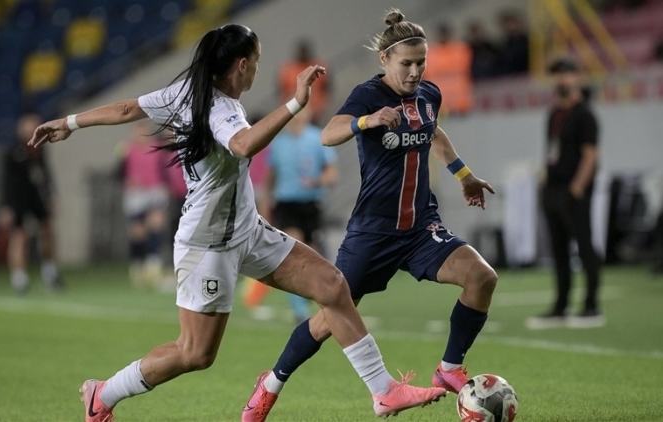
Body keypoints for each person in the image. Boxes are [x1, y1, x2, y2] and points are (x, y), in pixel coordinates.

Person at [28, 24, 446, 422]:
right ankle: (103, 394)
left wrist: (68, 123)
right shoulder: (221, 108)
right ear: (242, 65)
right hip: (207, 243)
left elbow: (126, 108)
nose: (257, 70)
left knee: (332, 286)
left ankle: (383, 391)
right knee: (195, 354)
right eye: (257, 62)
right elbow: (243, 144)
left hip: (247, 230)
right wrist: (295, 103)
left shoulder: (184, 91)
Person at [242, 10, 498, 422]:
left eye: (421, 63)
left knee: (482, 277)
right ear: (385, 60)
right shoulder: (368, 95)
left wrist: (464, 176)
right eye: (406, 63)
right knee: (328, 321)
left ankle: (449, 368)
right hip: (373, 232)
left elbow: (433, 132)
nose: (414, 72)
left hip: (421, 227)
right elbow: (329, 134)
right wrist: (368, 121)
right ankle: (270, 384)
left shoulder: (429, 95)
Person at [526, 58, 604, 329]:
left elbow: (590, 155)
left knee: (584, 246)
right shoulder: (554, 114)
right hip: (553, 190)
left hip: (573, 191)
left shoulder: (585, 114)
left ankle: (592, 306)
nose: (561, 79)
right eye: (557, 74)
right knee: (558, 251)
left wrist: (577, 188)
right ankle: (561, 305)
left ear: (576, 77)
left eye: (566, 74)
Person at [243, 105, 338, 324]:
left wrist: (318, 180)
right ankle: (300, 311)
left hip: (311, 204)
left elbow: (332, 173)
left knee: (314, 258)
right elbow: (270, 177)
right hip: (286, 204)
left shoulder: (317, 138)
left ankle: (315, 301)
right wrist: (265, 205)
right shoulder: (279, 143)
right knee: (296, 252)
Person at [0, 112, 62, 293]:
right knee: (20, 236)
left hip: (36, 196)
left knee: (47, 231)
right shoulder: (13, 152)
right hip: (17, 199)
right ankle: (19, 278)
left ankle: (49, 272)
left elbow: (46, 174)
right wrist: (7, 206)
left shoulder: (40, 150)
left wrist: (51, 195)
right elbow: (6, 181)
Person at [116, 120, 170, 287]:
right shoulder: (125, 148)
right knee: (137, 231)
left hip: (155, 191)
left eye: (144, 128)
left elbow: (165, 168)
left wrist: (168, 186)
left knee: (156, 223)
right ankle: (136, 265)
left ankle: (153, 265)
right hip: (136, 194)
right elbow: (118, 172)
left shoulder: (158, 147)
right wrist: (128, 180)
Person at [423, 23, 473, 115]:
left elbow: (464, 66)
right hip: (439, 101)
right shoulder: (430, 52)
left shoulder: (460, 49)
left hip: (460, 99)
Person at [278, 39, 330, 125]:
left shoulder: (318, 67)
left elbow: (327, 89)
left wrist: (323, 106)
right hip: (294, 110)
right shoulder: (288, 69)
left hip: (315, 112)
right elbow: (282, 90)